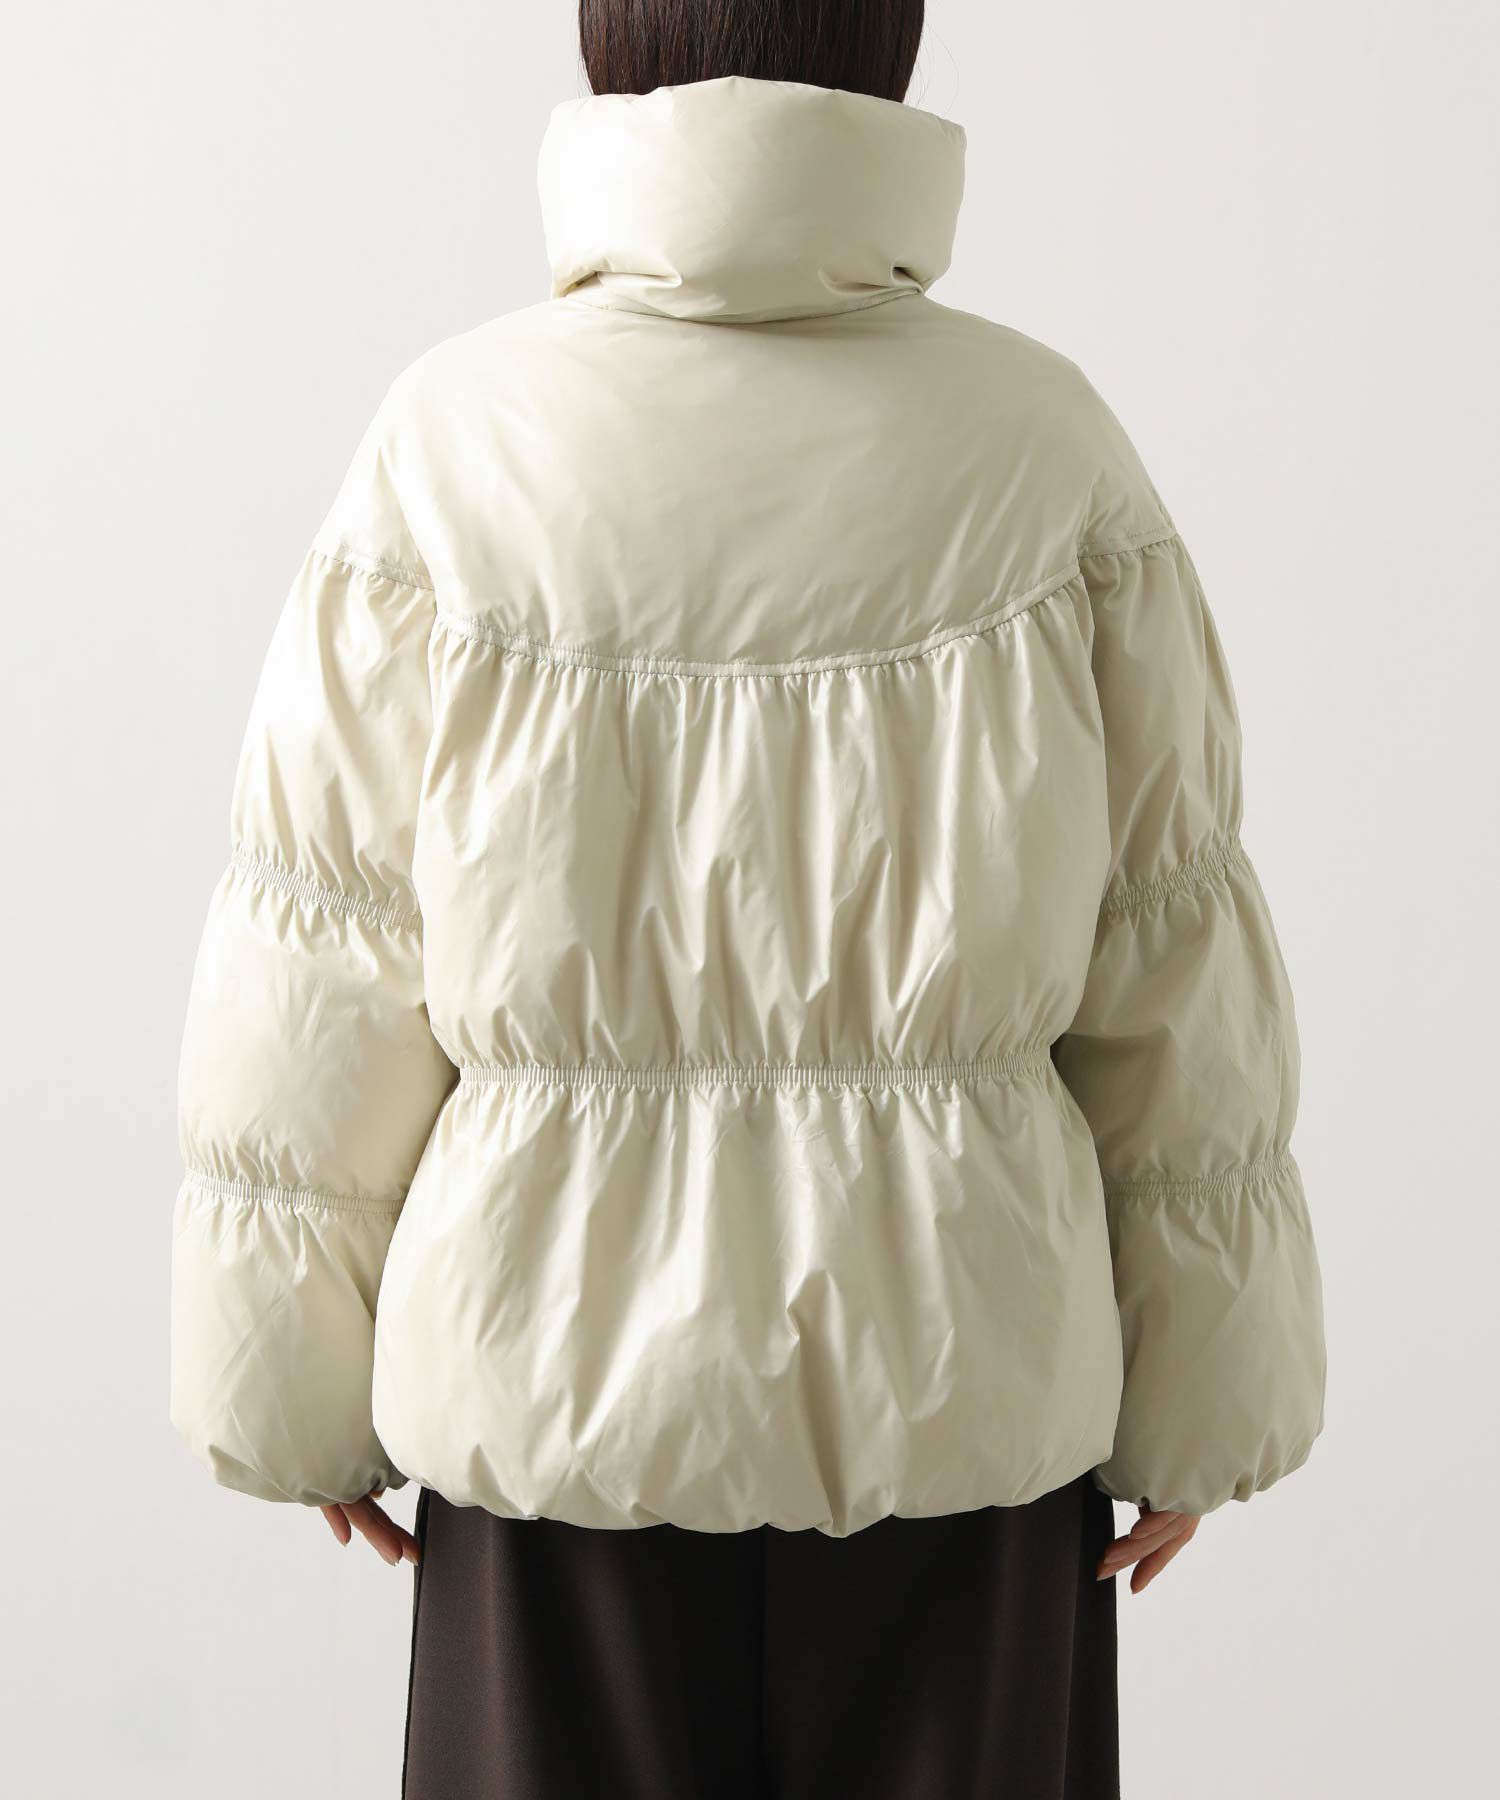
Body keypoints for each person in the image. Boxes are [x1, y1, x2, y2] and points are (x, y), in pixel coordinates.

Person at [169, 2, 1326, 1793]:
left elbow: (324, 944)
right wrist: (1207, 1396)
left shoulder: (454, 445)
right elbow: (1167, 948)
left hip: (552, 1408)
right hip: (963, 1400)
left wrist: (287, 1389)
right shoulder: (1045, 448)